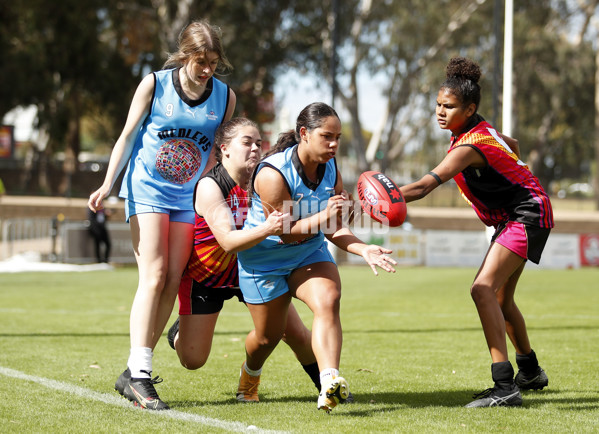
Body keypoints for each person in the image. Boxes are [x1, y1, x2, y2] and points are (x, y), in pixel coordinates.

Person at [88, 20, 236, 410]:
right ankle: (140, 375)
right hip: (148, 188)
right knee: (153, 273)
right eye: (200, 61)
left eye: (213, 62)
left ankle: (135, 370)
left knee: (173, 277)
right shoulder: (155, 84)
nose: (206, 70)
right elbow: (126, 135)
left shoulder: (224, 97)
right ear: (185, 55)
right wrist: (107, 184)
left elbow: (221, 153)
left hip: (187, 196)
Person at [399, 57, 553, 408]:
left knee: (481, 289)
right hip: (523, 213)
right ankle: (529, 371)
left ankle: (505, 386)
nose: (440, 111)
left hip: (526, 214)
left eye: (448, 107)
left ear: (469, 109)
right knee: (500, 298)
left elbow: (424, 187)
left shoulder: (470, 145)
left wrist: (378, 197)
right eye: (438, 104)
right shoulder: (481, 131)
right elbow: (510, 144)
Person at [236, 102, 397, 413]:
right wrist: (325, 214)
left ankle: (329, 384)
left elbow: (333, 226)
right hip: (264, 260)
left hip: (308, 251)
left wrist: (363, 248)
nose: (334, 144)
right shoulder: (272, 175)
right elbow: (285, 232)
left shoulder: (332, 167)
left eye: (338, 137)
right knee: (267, 339)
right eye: (327, 136)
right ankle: (250, 374)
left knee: (328, 299)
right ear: (304, 134)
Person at [166, 117, 332, 398]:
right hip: (206, 278)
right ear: (225, 149)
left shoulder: (266, 178)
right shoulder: (211, 186)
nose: (255, 148)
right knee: (193, 360)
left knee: (297, 335)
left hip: (254, 268)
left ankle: (328, 387)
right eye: (247, 142)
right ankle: (180, 332)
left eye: (258, 143)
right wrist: (268, 227)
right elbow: (229, 242)